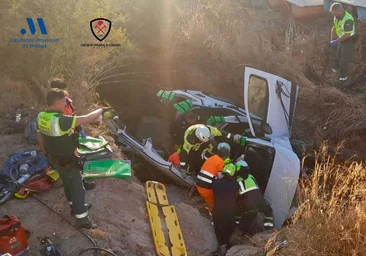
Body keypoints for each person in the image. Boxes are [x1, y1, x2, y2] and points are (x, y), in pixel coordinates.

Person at [37, 88, 110, 229]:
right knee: (78, 188)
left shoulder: (41, 116)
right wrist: (100, 110)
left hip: (54, 158)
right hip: (68, 160)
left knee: (67, 183)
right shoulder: (62, 120)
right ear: (57, 102)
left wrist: (46, 154)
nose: (66, 104)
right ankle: (82, 219)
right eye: (64, 101)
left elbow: (40, 137)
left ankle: (74, 207)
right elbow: (88, 118)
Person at [50, 78, 95, 191]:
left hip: (73, 133)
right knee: (74, 161)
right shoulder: (58, 106)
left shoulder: (67, 101)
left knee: (76, 158)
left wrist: (79, 129)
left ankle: (81, 180)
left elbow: (74, 116)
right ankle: (81, 183)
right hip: (66, 137)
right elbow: (66, 121)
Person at [179, 124, 246, 176]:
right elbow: (184, 153)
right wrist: (183, 168)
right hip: (194, 145)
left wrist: (233, 136)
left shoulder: (210, 130)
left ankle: (203, 160)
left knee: (212, 146)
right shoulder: (190, 140)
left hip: (205, 141)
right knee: (192, 158)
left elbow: (222, 133)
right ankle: (189, 171)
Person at [234, 160, 273, 235]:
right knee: (268, 211)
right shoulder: (251, 177)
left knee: (237, 214)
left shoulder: (237, 181)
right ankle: (268, 230)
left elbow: (237, 196)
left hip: (248, 206)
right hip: (260, 202)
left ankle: (238, 229)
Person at [212, 163, 240, 255]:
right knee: (229, 230)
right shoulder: (236, 184)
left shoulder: (216, 183)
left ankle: (220, 244)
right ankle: (228, 246)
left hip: (217, 211)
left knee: (218, 228)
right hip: (230, 213)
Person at [196, 143, 231, 212]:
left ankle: (202, 198)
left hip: (198, 183)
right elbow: (221, 177)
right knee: (213, 202)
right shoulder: (221, 162)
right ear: (225, 157)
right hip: (205, 188)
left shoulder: (212, 157)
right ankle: (211, 212)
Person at [330, 2, 356, 82]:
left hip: (349, 40)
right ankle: (336, 68)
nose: (334, 15)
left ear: (339, 11)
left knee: (344, 59)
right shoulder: (337, 16)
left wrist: (337, 41)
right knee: (337, 53)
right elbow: (334, 28)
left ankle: (343, 77)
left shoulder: (348, 19)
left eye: (334, 13)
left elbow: (347, 35)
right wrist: (332, 40)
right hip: (340, 38)